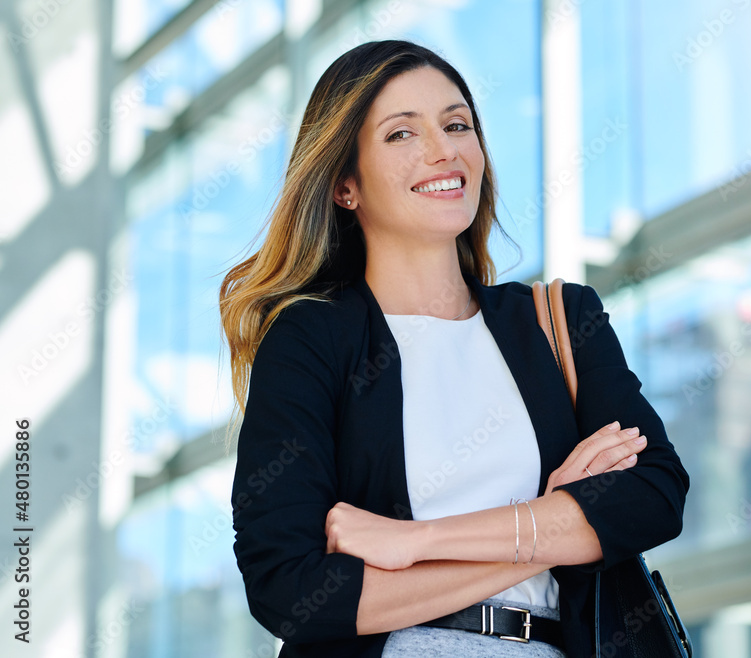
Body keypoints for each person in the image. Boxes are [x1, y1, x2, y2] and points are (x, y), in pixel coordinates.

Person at [220, 39, 689, 658]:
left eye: (457, 123)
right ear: (344, 186)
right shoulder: (310, 339)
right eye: (401, 135)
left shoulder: (558, 321)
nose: (444, 149)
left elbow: (653, 495)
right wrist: (550, 520)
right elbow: (289, 589)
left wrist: (415, 542)